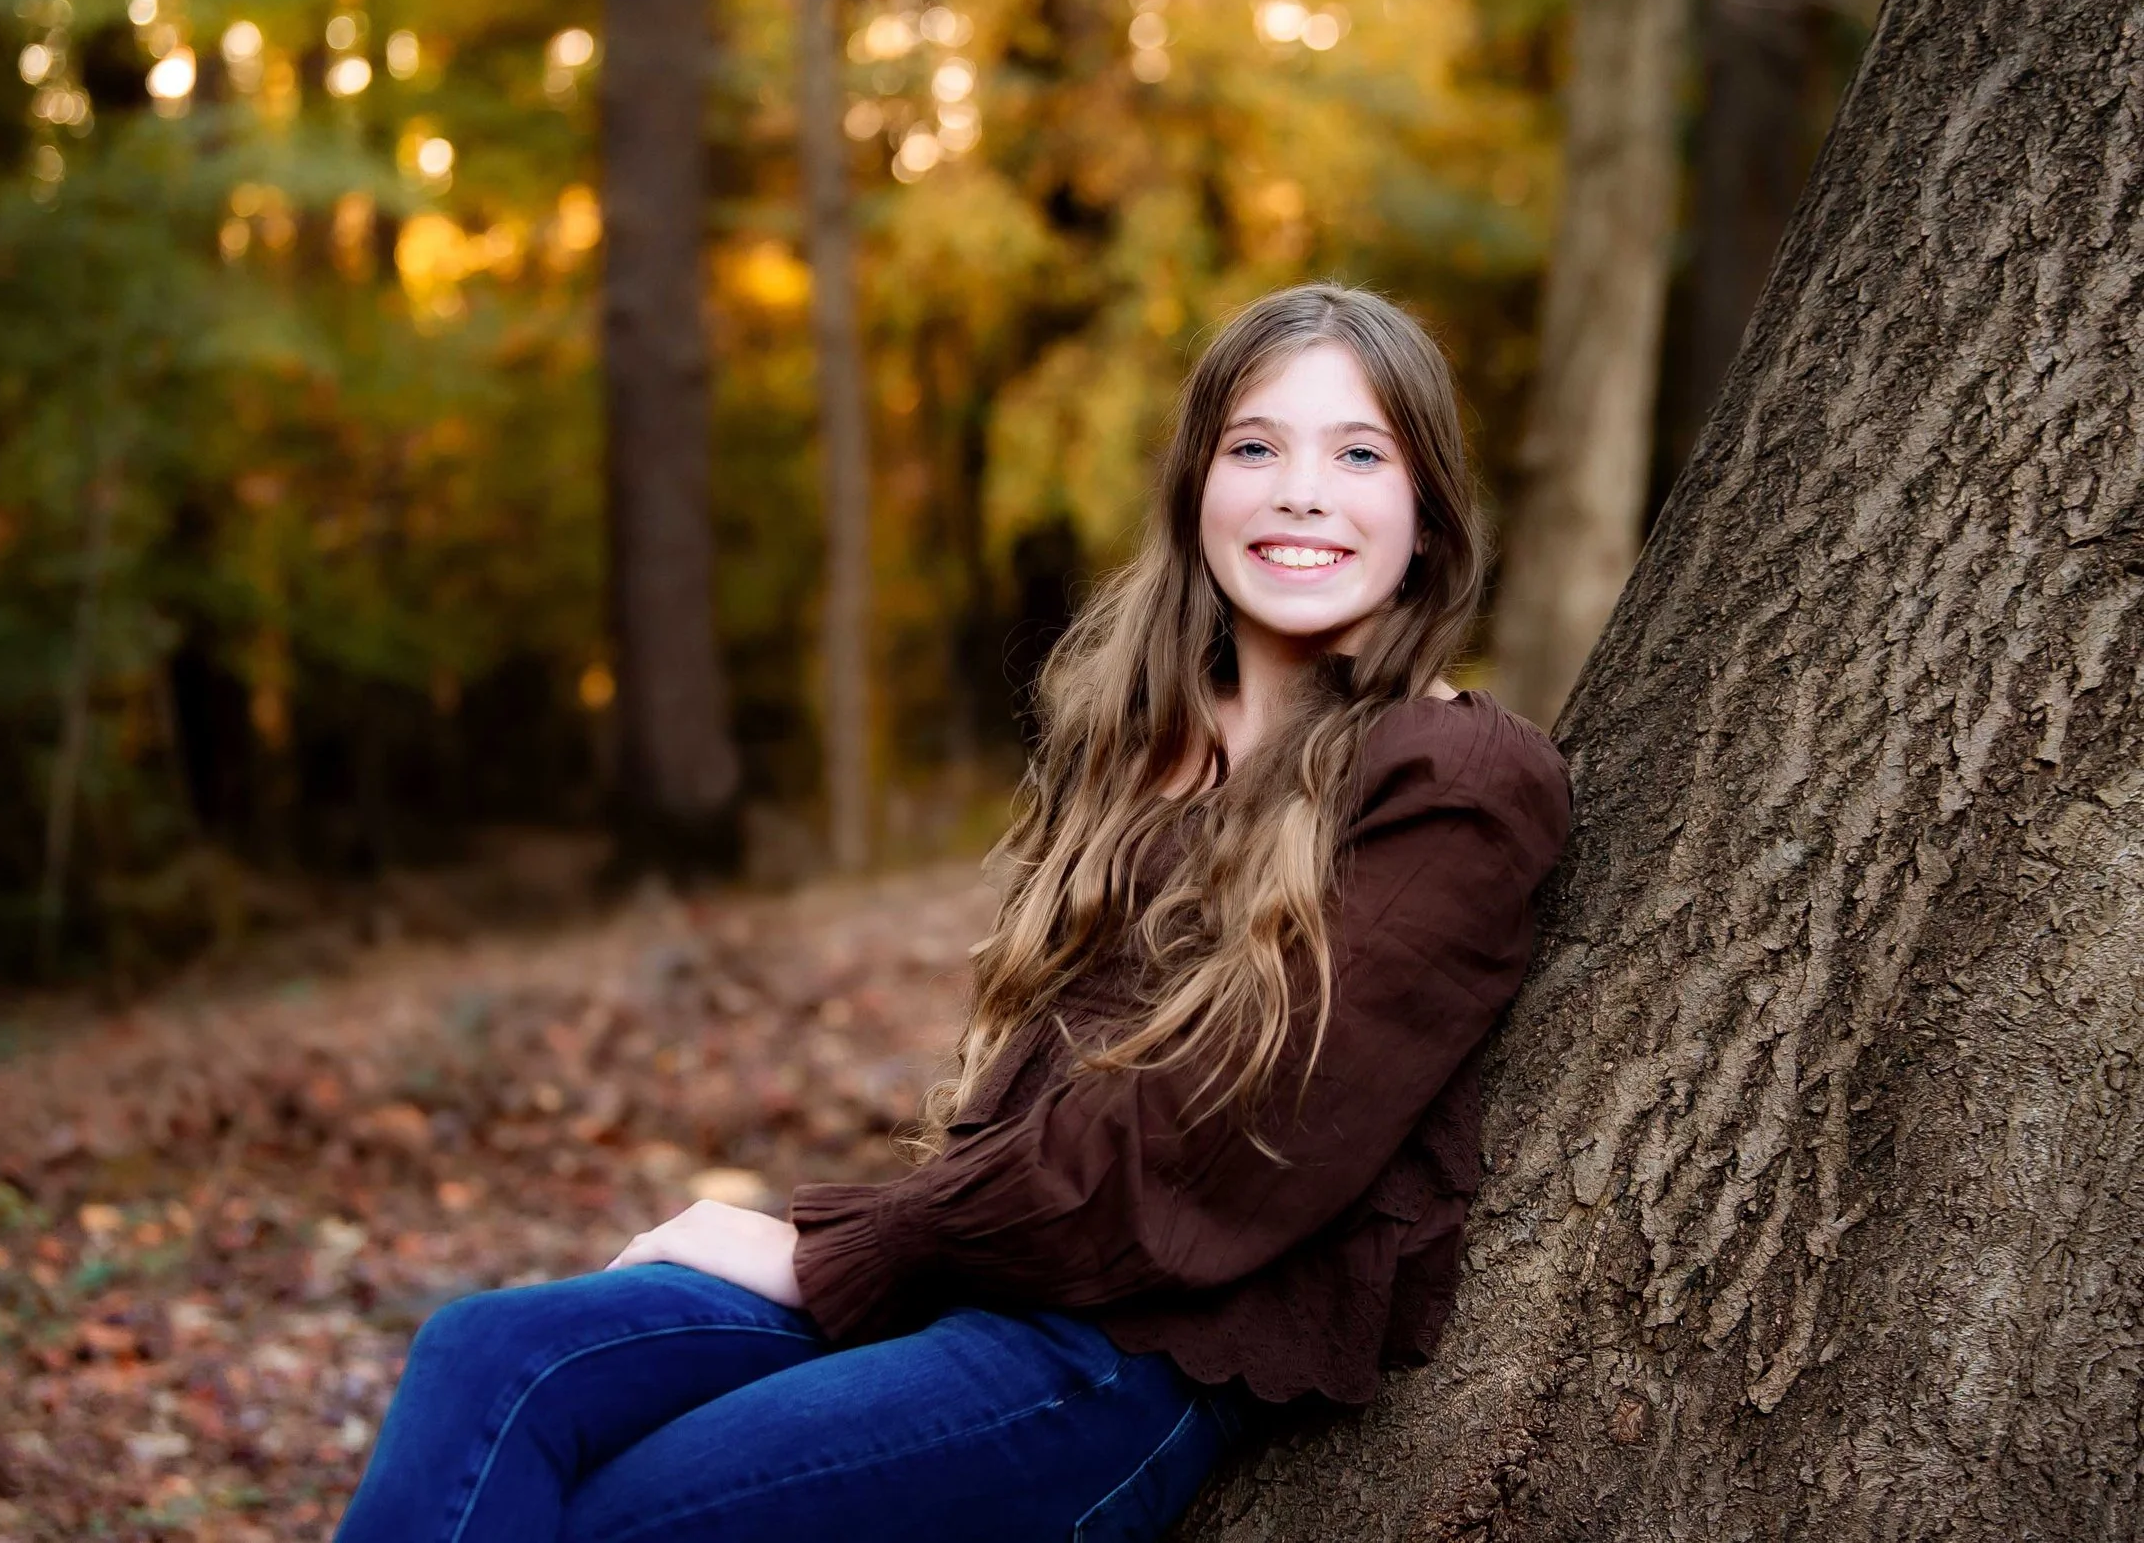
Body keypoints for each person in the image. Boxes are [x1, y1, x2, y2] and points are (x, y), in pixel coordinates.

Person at [331, 284, 1573, 1543]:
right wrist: (876, 1252)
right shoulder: (1143, 749)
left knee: (614, 1517)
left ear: (1425, 518)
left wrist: (825, 1247)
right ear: (1198, 488)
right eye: (1255, 446)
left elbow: (1212, 1153)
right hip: (978, 1284)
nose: (1301, 490)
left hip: (1129, 1359)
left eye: (1359, 454)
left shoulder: (1453, 776)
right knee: (490, 1356)